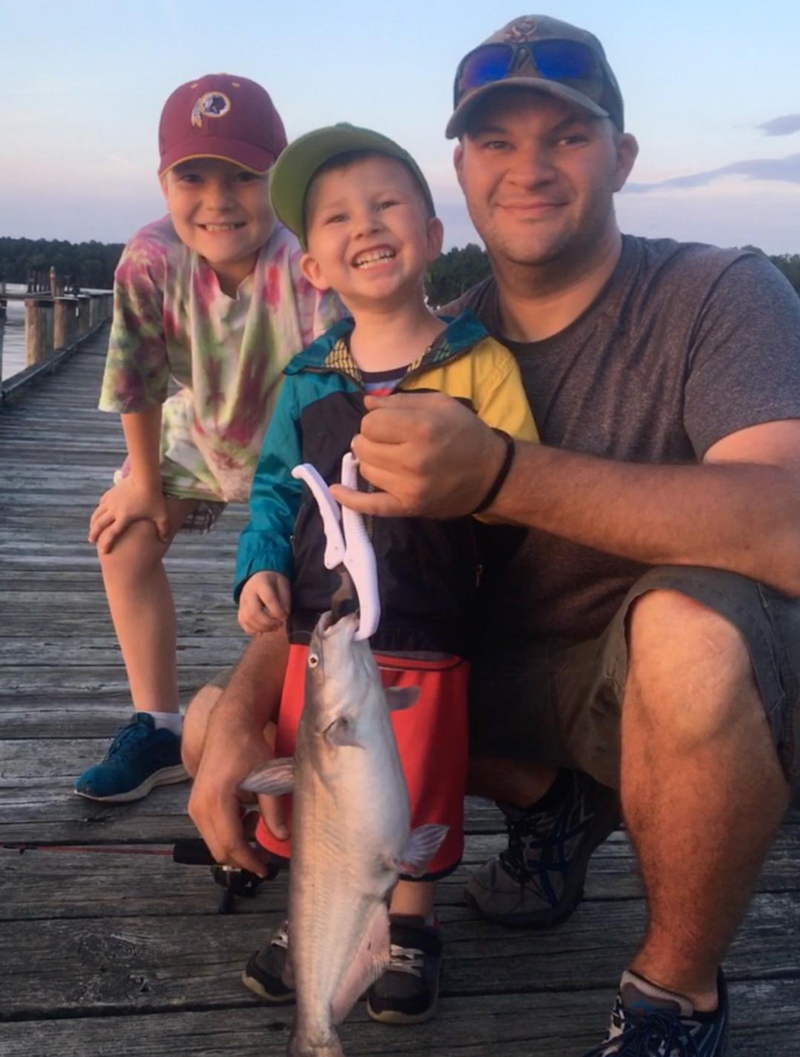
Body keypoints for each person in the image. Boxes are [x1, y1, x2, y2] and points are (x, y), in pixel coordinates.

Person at [321, 15, 800, 1057]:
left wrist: (501, 474)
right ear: (460, 169)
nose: (528, 168)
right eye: (495, 140)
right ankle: (555, 805)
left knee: (690, 627)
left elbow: (787, 523)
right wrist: (236, 706)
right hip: (502, 675)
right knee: (314, 699)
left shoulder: (720, 292)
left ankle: (674, 996)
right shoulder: (429, 340)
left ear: (621, 158)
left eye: (567, 136)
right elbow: (340, 555)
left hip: (666, 683)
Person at [230, 123, 537, 1024]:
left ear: (434, 236)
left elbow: (520, 489)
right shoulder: (305, 377)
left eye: (386, 204)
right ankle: (314, 913)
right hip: (318, 635)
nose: (363, 224)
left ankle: (409, 922)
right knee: (316, 778)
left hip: (429, 627)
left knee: (420, 779)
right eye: (335, 218)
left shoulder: (479, 362)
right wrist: (256, 568)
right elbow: (274, 489)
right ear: (313, 264)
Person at [75, 74, 338, 802]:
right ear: (163, 183)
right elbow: (137, 378)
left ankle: (302, 722)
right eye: (193, 177)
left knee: (303, 578)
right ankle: (158, 724)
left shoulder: (306, 262)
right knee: (122, 538)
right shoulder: (149, 257)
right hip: (199, 428)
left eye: (244, 177)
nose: (218, 200)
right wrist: (145, 485)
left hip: (297, 439)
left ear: (280, 180)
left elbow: (337, 386)